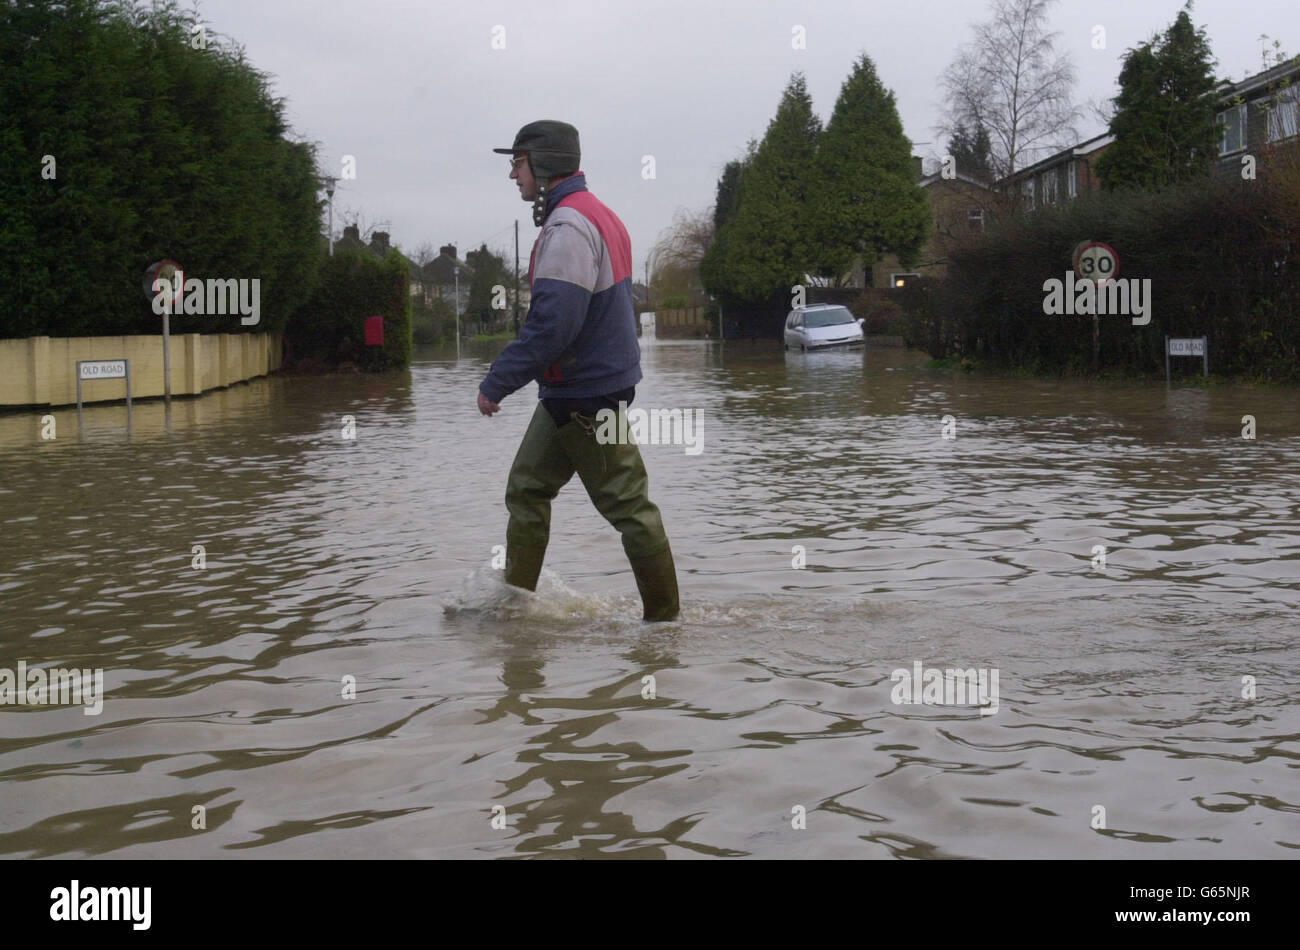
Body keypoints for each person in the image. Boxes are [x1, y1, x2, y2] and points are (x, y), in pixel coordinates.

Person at [477, 120, 680, 622]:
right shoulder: (599, 214)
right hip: (576, 392)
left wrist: (497, 382)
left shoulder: (568, 226)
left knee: (629, 507)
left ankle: (666, 627)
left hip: (587, 395)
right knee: (527, 489)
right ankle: (515, 611)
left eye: (518, 164)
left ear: (543, 167)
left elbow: (553, 325)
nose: (513, 176)